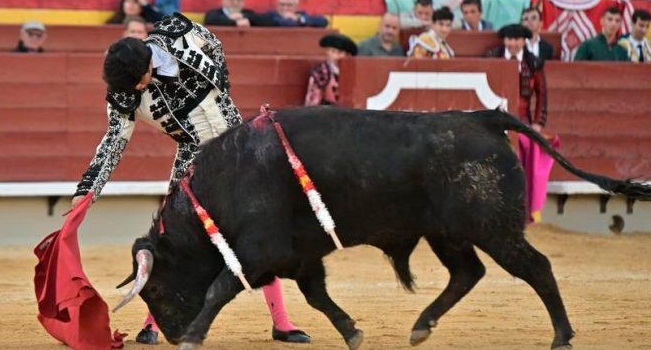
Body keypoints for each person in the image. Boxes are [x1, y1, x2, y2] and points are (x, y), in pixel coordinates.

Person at [71, 13, 310, 345]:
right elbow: (113, 143)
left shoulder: (178, 31)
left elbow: (214, 43)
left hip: (238, 146)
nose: (137, 91)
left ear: (147, 65)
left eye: (138, 82)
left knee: (260, 232)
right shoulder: (124, 93)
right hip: (192, 157)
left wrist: (222, 87)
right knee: (174, 241)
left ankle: (282, 321)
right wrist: (88, 190)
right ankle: (153, 323)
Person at [486, 24, 553, 224]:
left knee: (523, 166)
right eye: (510, 39)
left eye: (517, 39)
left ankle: (521, 211)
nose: (513, 43)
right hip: (496, 120)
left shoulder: (533, 63)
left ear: (524, 41)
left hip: (522, 121)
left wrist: (538, 124)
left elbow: (542, 95)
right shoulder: (493, 57)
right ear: (504, 40)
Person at [304, 33, 357, 106]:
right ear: (327, 52)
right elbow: (313, 100)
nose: (336, 56)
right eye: (333, 51)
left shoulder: (353, 72)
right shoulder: (320, 72)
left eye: (340, 52)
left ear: (347, 55)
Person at [204, 0, 275, 27]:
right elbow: (209, 21)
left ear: (243, 2)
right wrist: (235, 23)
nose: (235, 3)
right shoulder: (214, 13)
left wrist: (243, 15)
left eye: (239, 0)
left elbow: (269, 22)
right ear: (223, 1)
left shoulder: (248, 13)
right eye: (231, 0)